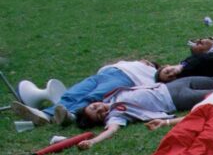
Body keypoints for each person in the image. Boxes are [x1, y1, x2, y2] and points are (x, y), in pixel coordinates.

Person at [72, 77, 213, 149]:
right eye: (98, 115)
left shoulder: (112, 95)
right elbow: (111, 130)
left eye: (95, 107)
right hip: (176, 99)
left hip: (171, 85)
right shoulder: (116, 115)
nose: (100, 109)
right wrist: (93, 141)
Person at [12, 60, 157, 126]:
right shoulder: (130, 62)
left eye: (149, 63)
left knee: (93, 97)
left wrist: (153, 67)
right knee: (72, 94)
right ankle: (47, 114)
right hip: (103, 75)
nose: (146, 62)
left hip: (125, 79)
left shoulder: (152, 73)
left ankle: (73, 115)